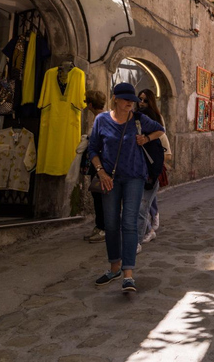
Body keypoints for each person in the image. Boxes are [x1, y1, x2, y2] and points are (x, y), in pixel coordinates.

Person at [88, 83, 164, 293]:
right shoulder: (101, 120)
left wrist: (146, 138)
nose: (130, 102)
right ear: (115, 99)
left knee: (129, 223)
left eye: (132, 99)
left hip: (134, 177)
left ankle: (128, 275)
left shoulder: (139, 119)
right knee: (111, 224)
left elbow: (161, 129)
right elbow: (93, 149)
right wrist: (101, 172)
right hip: (109, 178)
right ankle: (114, 267)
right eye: (125, 99)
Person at [136, 88, 170, 251]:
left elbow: (162, 137)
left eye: (145, 100)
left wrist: (147, 138)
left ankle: (141, 236)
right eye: (139, 99)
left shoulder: (152, 119)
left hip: (150, 167)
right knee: (143, 204)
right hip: (139, 167)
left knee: (143, 205)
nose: (141, 103)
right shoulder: (136, 117)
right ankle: (149, 227)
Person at [81, 90, 107, 243]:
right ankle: (99, 226)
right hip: (98, 162)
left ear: (90, 104)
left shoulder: (100, 119)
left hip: (100, 163)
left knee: (99, 196)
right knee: (98, 196)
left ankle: (103, 228)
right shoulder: (102, 118)